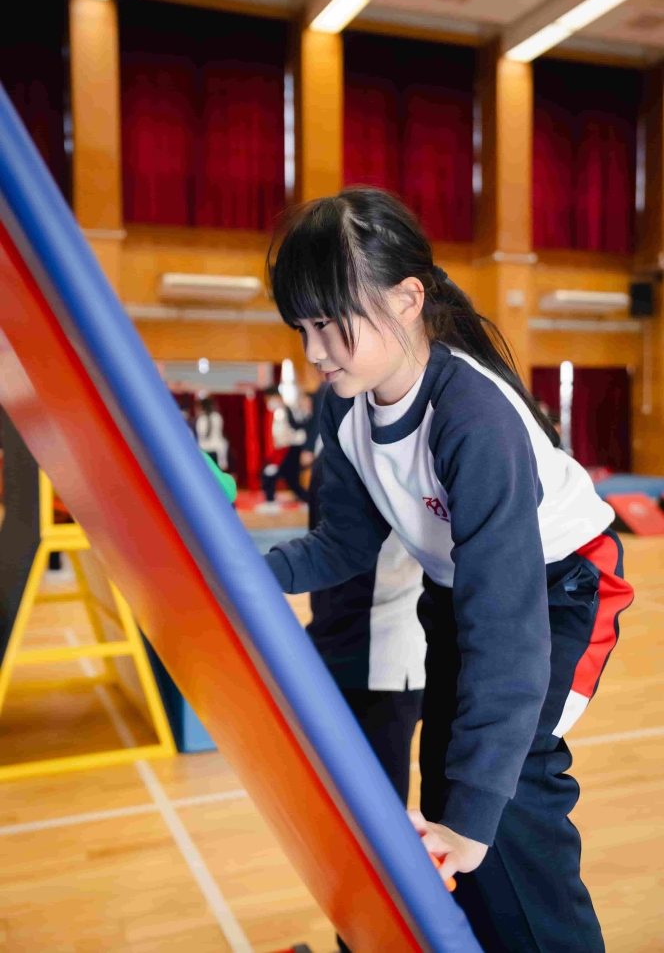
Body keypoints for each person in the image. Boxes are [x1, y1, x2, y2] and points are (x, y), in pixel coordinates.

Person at [262, 188, 634, 953]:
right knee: (449, 790)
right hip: (458, 592)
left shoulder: (472, 418)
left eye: (329, 324)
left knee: (506, 792)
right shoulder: (347, 407)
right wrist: (251, 574)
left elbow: (508, 626)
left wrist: (474, 817)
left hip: (560, 591)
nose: (313, 351)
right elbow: (346, 544)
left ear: (406, 301)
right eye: (302, 328)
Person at [308, 447, 426, 953]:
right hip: (353, 657)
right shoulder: (352, 448)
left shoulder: (375, 454)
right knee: (360, 828)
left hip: (378, 662)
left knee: (373, 830)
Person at [258, 387, 310, 513]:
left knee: (269, 474)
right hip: (285, 449)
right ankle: (307, 500)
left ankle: (270, 502)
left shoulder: (287, 410)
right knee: (291, 479)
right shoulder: (280, 411)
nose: (268, 402)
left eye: (269, 399)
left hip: (290, 449)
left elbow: (298, 427)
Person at [195, 396, 229, 470]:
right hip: (216, 450)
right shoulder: (217, 417)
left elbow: (200, 436)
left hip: (204, 450)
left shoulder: (201, 419)